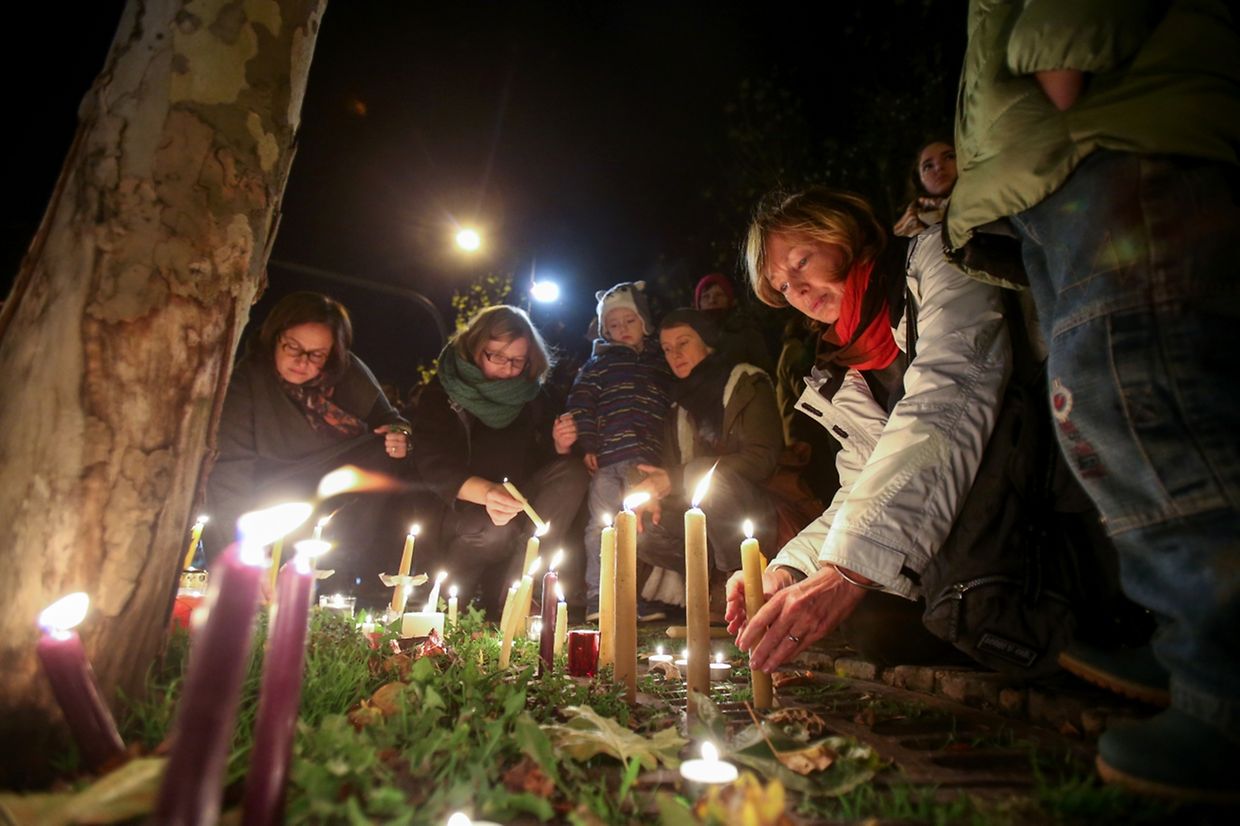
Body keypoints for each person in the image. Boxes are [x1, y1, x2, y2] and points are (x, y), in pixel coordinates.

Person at [945, 0, 1240, 800]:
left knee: (1146, 402)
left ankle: (1224, 687)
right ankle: (1193, 643)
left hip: (1104, 135)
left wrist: (1062, 36)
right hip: (1066, 155)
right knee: (1122, 410)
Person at [726, 187, 1011, 668]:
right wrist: (792, 570)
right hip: (958, 544)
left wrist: (848, 574)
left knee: (873, 610)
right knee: (874, 627)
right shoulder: (842, 373)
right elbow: (864, 486)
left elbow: (943, 406)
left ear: (842, 233)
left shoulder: (938, 265)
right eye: (782, 286)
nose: (796, 290)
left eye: (800, 262)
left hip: (1026, 509)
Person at [205, 292, 411, 565]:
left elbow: (391, 420)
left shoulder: (348, 373)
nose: (302, 362)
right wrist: (237, 550)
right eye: (293, 347)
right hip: (274, 487)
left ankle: (343, 564)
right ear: (275, 336)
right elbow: (231, 466)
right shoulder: (250, 380)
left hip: (339, 486)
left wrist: (400, 437)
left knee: (383, 453)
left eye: (316, 354)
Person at [410, 306, 588, 616]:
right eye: (497, 356)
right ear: (476, 348)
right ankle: (448, 601)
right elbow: (433, 465)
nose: (508, 369)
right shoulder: (443, 394)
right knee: (495, 530)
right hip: (462, 512)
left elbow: (540, 460)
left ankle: (517, 597)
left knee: (572, 473)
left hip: (519, 503)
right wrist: (488, 493)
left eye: (518, 361)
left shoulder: (533, 395)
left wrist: (559, 445)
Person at [627, 309, 782, 602]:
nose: (676, 354)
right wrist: (653, 492)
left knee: (703, 476)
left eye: (683, 342)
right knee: (643, 529)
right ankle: (708, 586)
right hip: (701, 517)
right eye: (667, 348)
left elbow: (763, 459)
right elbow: (674, 473)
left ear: (707, 341)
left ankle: (738, 584)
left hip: (752, 511)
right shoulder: (679, 404)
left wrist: (677, 477)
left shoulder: (746, 383)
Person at [560, 282, 672, 620]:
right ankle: (598, 596)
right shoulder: (599, 365)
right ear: (603, 330)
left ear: (645, 324)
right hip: (608, 458)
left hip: (646, 463)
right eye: (613, 325)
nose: (621, 330)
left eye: (629, 322)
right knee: (601, 526)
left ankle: (629, 598)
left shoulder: (659, 364)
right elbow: (581, 403)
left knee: (638, 528)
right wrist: (589, 444)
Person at [692, 273, 773, 374]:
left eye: (719, 295)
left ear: (729, 300)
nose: (712, 300)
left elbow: (765, 372)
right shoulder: (690, 337)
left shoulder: (745, 332)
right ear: (698, 303)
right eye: (706, 296)